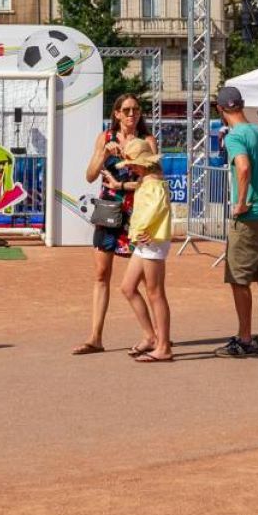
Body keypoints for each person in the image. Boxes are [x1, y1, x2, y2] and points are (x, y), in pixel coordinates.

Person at [76, 95, 156, 354]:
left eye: (135, 110)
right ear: (117, 113)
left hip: (137, 213)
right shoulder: (105, 137)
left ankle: (154, 335)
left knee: (143, 278)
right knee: (101, 275)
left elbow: (152, 180)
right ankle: (95, 337)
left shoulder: (147, 142)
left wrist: (122, 184)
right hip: (108, 210)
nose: (131, 114)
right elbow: (90, 176)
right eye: (126, 110)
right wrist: (103, 153)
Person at [214, 86, 258, 358]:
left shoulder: (235, 136)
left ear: (220, 109)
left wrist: (240, 202)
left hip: (249, 217)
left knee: (239, 279)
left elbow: (242, 167)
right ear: (241, 104)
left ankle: (244, 338)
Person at [117, 138, 173, 362]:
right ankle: (151, 337)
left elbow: (159, 208)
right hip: (144, 239)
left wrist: (148, 229)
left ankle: (164, 346)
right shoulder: (146, 179)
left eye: (132, 164)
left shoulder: (153, 182)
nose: (129, 167)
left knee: (155, 293)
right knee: (128, 287)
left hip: (151, 240)